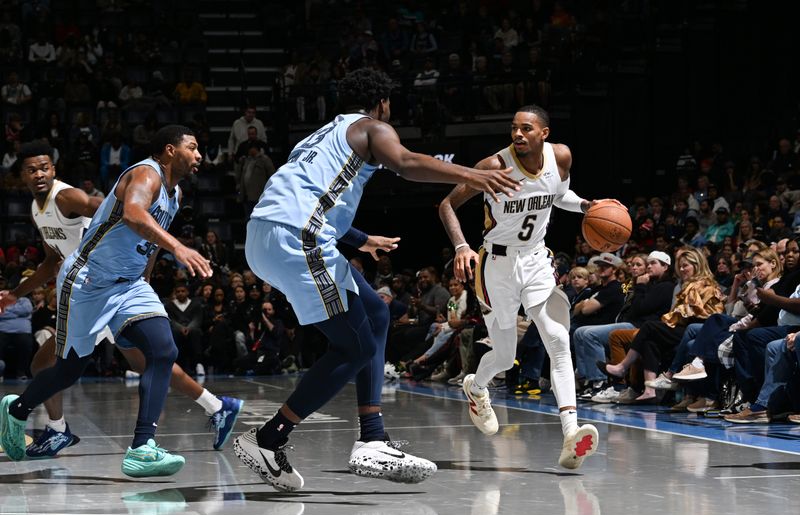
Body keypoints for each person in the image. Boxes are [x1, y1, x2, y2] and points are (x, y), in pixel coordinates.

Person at [236, 68, 520, 491]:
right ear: (382, 102)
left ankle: (373, 435)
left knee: (375, 312)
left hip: (263, 235)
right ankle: (269, 438)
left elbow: (303, 197)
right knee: (355, 346)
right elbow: (405, 163)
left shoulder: (318, 137)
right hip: (299, 237)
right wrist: (472, 175)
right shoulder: (372, 127)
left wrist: (360, 238)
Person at [0, 128, 227, 477]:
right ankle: (17, 409)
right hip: (88, 281)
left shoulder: (175, 194)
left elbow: (146, 241)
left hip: (129, 283)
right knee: (68, 369)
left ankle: (141, 448)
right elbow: (134, 215)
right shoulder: (144, 173)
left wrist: (146, 277)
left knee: (163, 351)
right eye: (193, 148)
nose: (199, 156)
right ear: (169, 151)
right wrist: (179, 247)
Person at [438, 104, 610, 469]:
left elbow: (556, 195)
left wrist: (585, 206)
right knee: (503, 355)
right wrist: (461, 246)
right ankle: (477, 386)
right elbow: (447, 205)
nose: (518, 134)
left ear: (543, 133)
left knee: (558, 339)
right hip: (496, 266)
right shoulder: (494, 167)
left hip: (534, 260)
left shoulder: (559, 156)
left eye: (526, 129)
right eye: (514, 128)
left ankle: (570, 434)